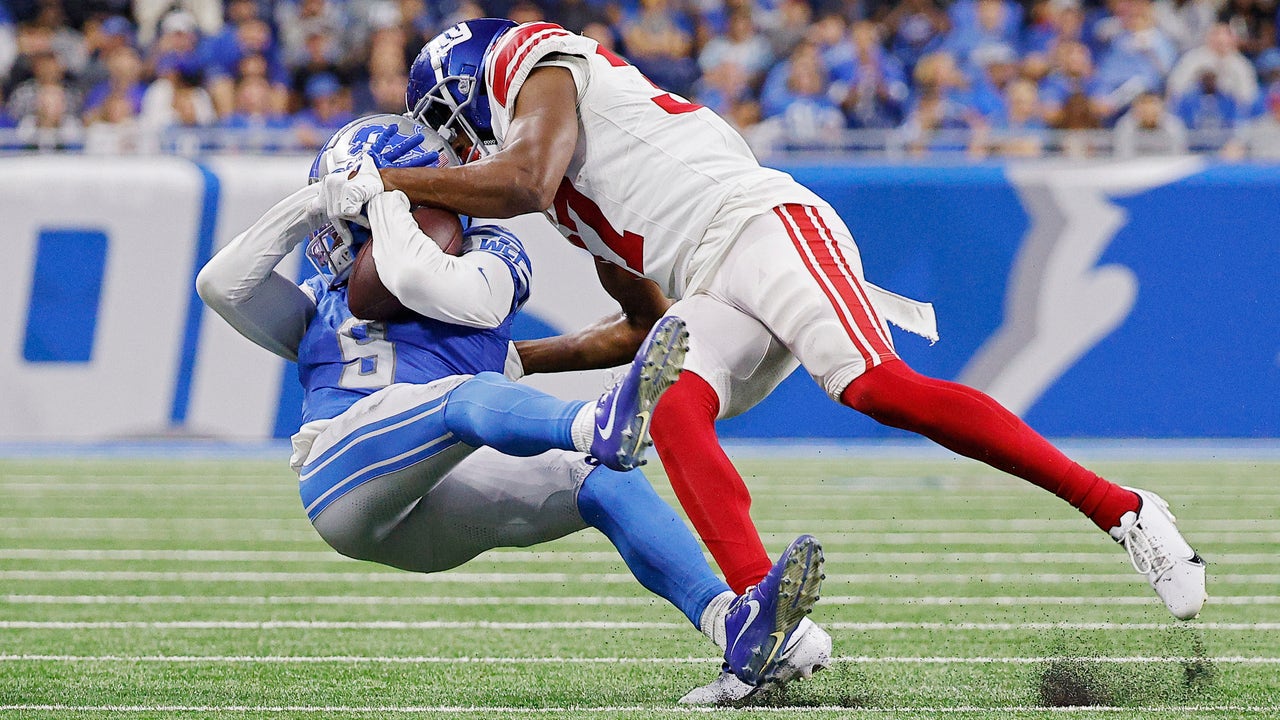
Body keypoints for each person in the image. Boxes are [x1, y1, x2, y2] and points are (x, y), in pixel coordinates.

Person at [318, 20, 1207, 701]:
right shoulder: (563, 199)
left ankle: (1124, 510)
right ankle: (761, 627)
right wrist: (521, 360)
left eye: (445, 117)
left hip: (764, 224)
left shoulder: (533, 64)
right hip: (711, 276)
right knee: (665, 405)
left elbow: (515, 177)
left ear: (474, 80)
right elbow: (640, 327)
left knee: (877, 388)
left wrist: (389, 184)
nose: (447, 143)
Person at [198, 113, 825, 700]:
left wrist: (386, 200)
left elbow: (428, 286)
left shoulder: (490, 255)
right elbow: (221, 285)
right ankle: (591, 424)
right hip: (344, 482)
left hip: (444, 494)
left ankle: (735, 630)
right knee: (457, 398)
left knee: (602, 483)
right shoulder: (316, 304)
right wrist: (313, 203)